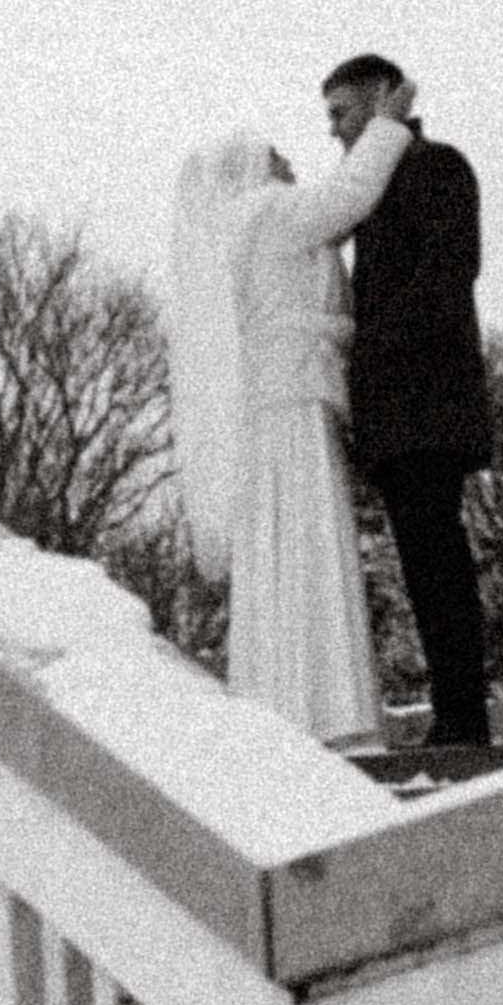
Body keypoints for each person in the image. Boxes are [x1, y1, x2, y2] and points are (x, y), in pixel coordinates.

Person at [165, 92, 415, 745]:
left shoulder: (235, 226)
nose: (291, 165)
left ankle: (288, 698)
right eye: (277, 157)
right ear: (251, 170)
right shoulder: (269, 212)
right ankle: (327, 709)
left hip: (276, 397)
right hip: (294, 397)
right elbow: (353, 194)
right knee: (308, 538)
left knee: (283, 549)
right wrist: (389, 122)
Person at [322, 52, 493, 752]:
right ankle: (455, 712)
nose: (334, 131)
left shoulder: (436, 166)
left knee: (438, 562)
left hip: (428, 405)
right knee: (425, 566)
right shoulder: (373, 187)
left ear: (385, 98)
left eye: (343, 112)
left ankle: (462, 717)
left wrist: (372, 349)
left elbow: (450, 272)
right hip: (395, 416)